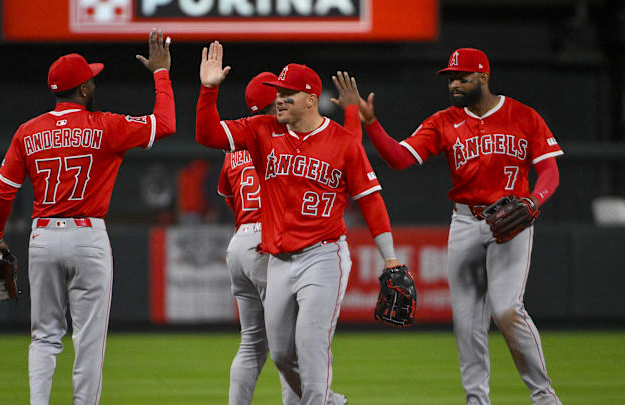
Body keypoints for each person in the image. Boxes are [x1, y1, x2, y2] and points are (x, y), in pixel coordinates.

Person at [197, 41, 402, 405]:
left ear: (311, 99)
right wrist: (208, 90)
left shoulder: (343, 142)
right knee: (279, 354)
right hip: (278, 259)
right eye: (278, 93)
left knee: (311, 348)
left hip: (324, 256)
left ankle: (317, 398)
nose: (279, 100)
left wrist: (390, 257)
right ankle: (328, 401)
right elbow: (208, 136)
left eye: (288, 95)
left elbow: (370, 200)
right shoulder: (262, 131)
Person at [359, 48, 563, 405]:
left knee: (506, 309)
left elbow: (549, 170)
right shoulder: (443, 121)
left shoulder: (523, 116)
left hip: (511, 221)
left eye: (462, 77)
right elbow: (399, 158)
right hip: (466, 222)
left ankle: (544, 397)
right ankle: (476, 400)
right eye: (450, 78)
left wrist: (534, 200)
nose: (454, 84)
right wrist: (372, 124)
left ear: (483, 77)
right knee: (466, 322)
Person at [0, 30, 175, 405]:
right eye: (92, 78)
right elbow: (164, 123)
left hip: (43, 237)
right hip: (88, 237)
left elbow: (5, 190)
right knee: (88, 338)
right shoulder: (107, 125)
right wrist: (161, 73)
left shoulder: (28, 131)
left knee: (44, 335)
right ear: (84, 89)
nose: (94, 82)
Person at [218, 71, 361, 405]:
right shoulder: (278, 138)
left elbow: (228, 198)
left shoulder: (234, 145)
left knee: (251, 342)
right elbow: (347, 151)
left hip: (239, 240)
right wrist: (352, 112)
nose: (283, 96)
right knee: (294, 346)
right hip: (274, 241)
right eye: (279, 93)